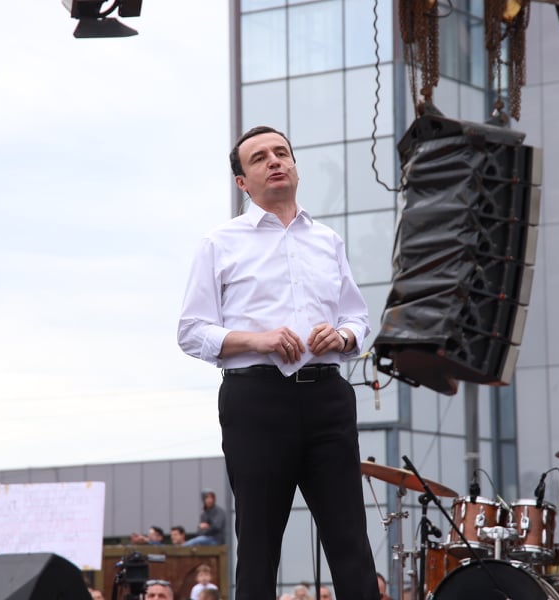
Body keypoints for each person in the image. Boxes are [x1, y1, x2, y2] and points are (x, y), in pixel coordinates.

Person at [178, 125, 379, 600]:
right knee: (259, 545)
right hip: (256, 400)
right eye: (260, 157)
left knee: (351, 541)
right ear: (242, 182)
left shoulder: (327, 240)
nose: (274, 161)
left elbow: (357, 317)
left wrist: (342, 335)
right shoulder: (219, 242)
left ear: (294, 167)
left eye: (281, 152)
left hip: (328, 397)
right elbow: (191, 331)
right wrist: (258, 339)